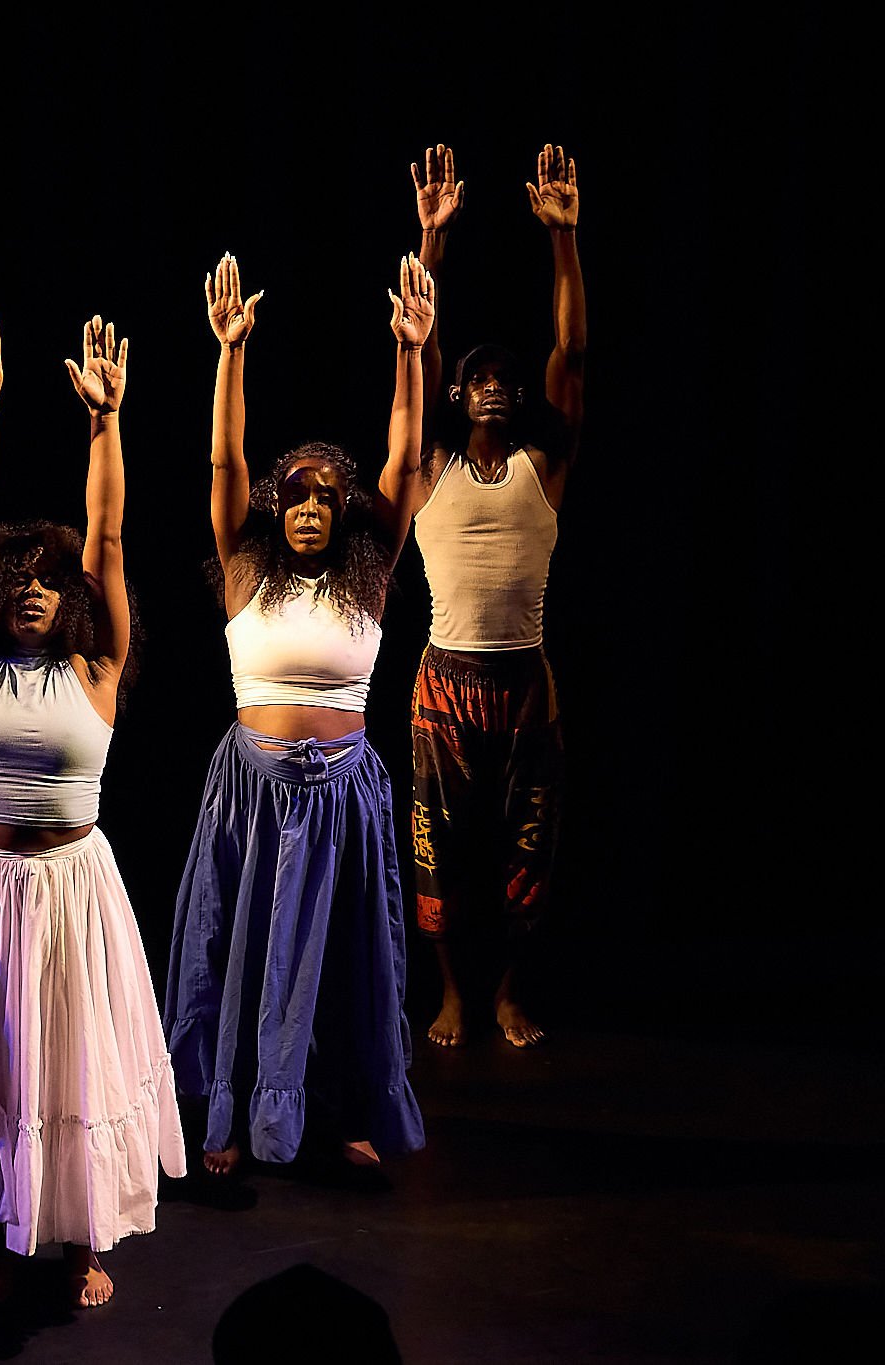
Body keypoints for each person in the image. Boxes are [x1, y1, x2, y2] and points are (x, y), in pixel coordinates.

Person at [0, 312, 186, 1310]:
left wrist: (104, 425)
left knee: (72, 1070)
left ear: (71, 604)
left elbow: (104, 534)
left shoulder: (94, 672)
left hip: (70, 892)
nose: (28, 587)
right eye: (14, 577)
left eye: (47, 580)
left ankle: (75, 1246)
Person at [163, 253, 432, 1178]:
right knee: (238, 956)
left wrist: (411, 353)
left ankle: (352, 1111)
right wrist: (230, 354)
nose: (309, 505)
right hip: (252, 791)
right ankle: (229, 1117)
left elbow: (402, 454)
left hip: (345, 795)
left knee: (353, 962)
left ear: (345, 512)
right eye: (295, 494)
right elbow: (225, 457)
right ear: (274, 510)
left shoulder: (373, 574)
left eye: (326, 495)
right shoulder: (243, 568)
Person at [385, 144, 586, 1049]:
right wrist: (429, 234)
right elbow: (415, 345)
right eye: (481, 378)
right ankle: (452, 994)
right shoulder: (431, 467)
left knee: (525, 853)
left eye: (509, 378)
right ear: (462, 394)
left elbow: (571, 352)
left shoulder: (545, 469)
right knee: (439, 848)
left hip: (525, 685)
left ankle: (507, 991)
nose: (498, 386)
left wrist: (565, 242)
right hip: (445, 683)